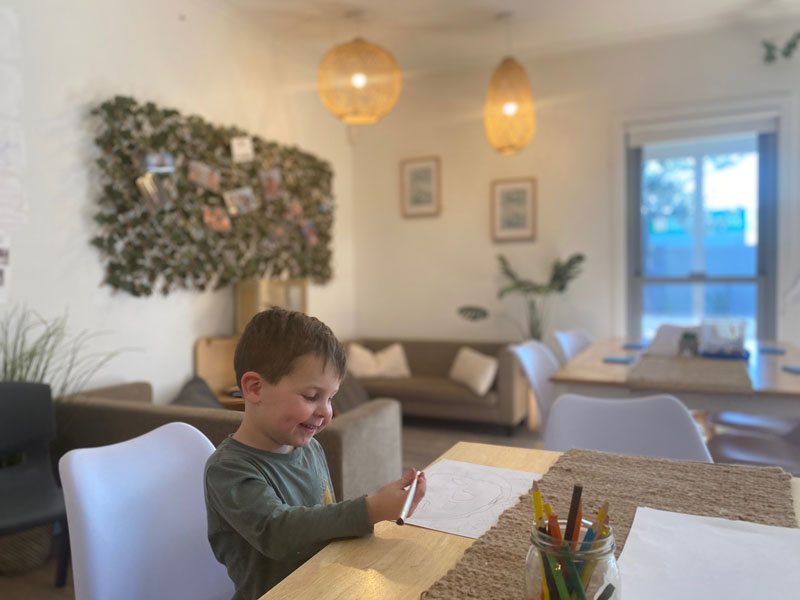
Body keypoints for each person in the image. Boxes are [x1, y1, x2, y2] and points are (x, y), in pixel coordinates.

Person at [204, 307, 426, 599]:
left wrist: (381, 510)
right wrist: (370, 509)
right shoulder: (228, 470)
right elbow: (278, 533)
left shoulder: (310, 449)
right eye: (311, 396)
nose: (326, 412)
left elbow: (321, 521)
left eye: (331, 397)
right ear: (255, 388)